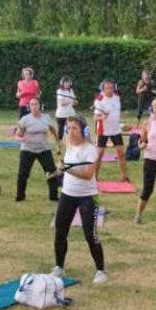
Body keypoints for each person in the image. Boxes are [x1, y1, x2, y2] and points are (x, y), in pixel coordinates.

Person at [48, 117, 108, 285]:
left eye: (74, 128)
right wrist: (55, 172)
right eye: (68, 128)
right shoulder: (69, 146)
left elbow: (88, 174)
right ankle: (59, 267)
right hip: (68, 194)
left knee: (91, 235)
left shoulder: (90, 149)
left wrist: (67, 169)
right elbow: (65, 168)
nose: (70, 131)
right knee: (60, 231)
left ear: (84, 131)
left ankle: (100, 270)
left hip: (88, 197)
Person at [15, 97, 60, 202]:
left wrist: (58, 141)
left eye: (36, 104)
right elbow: (17, 135)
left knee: (51, 172)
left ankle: (53, 196)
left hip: (44, 148)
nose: (34, 107)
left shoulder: (46, 118)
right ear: (29, 107)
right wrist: (21, 139)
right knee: (23, 174)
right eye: (32, 105)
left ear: (40, 106)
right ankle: (20, 196)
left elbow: (53, 130)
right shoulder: (25, 119)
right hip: (28, 149)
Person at [92, 80, 129, 182]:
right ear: (103, 89)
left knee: (121, 153)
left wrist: (121, 124)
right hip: (103, 130)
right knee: (99, 154)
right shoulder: (99, 100)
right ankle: (94, 176)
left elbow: (116, 113)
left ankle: (124, 176)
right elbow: (96, 117)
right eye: (107, 88)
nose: (110, 90)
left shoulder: (117, 98)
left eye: (111, 88)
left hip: (115, 129)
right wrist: (102, 117)